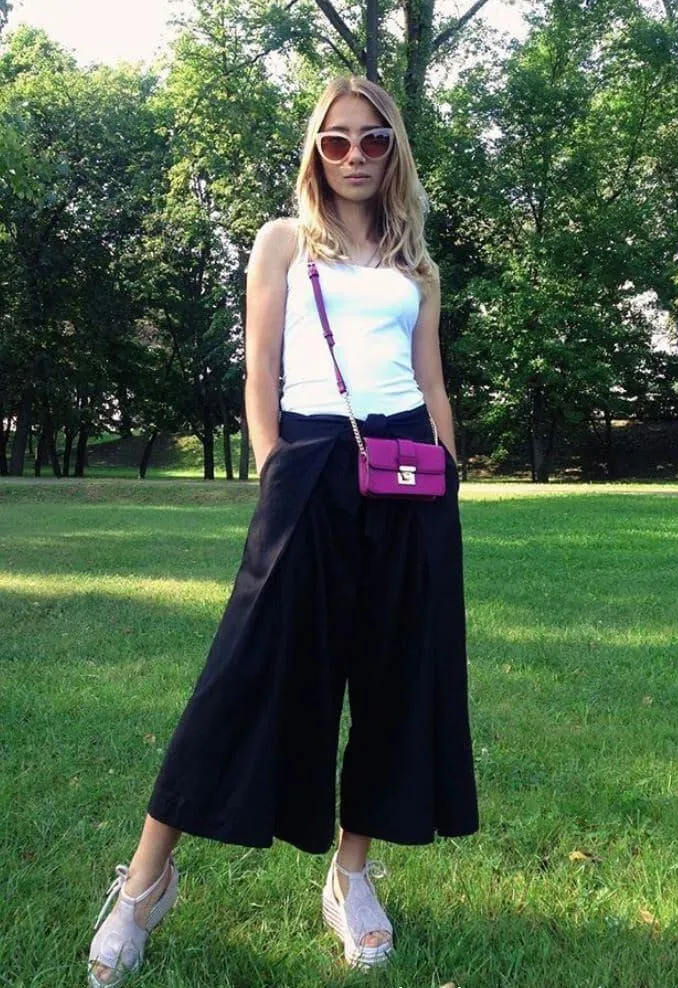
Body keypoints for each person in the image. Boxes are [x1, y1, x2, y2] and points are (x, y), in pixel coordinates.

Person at [86, 74, 479, 987]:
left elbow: (430, 381)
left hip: (409, 473)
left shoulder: (416, 263)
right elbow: (258, 369)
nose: (353, 155)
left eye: (372, 139)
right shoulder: (281, 242)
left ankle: (351, 877)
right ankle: (144, 883)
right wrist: (274, 468)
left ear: (394, 149)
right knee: (245, 667)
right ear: (315, 151)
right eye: (336, 140)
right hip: (309, 462)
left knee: (394, 675)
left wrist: (446, 477)